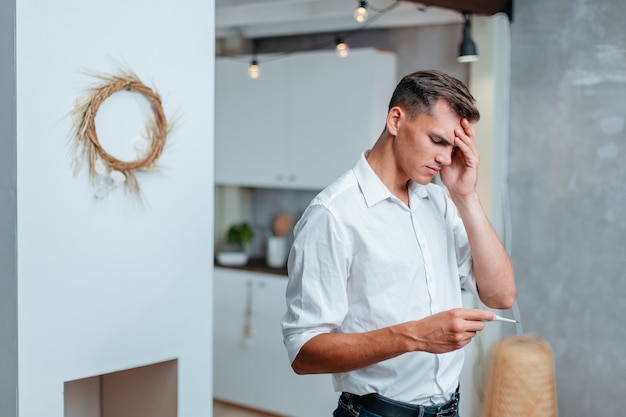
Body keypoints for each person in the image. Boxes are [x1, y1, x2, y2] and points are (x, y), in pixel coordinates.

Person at [281, 70, 516, 417]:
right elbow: (303, 353)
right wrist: (416, 336)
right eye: (437, 141)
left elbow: (501, 296)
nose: (444, 159)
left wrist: (465, 196)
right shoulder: (333, 215)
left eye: (453, 147)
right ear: (395, 120)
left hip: (449, 408)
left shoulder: (440, 203)